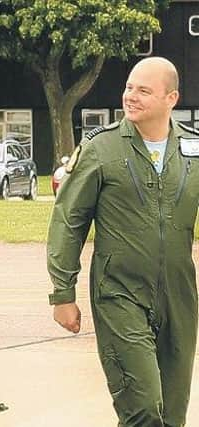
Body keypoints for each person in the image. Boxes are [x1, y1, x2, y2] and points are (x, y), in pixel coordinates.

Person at [47, 56, 199, 426]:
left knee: (172, 415)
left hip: (179, 297)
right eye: (129, 87)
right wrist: (62, 294)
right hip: (120, 294)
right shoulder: (101, 148)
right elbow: (69, 222)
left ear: (172, 98)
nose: (131, 96)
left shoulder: (194, 152)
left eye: (143, 90)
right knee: (143, 408)